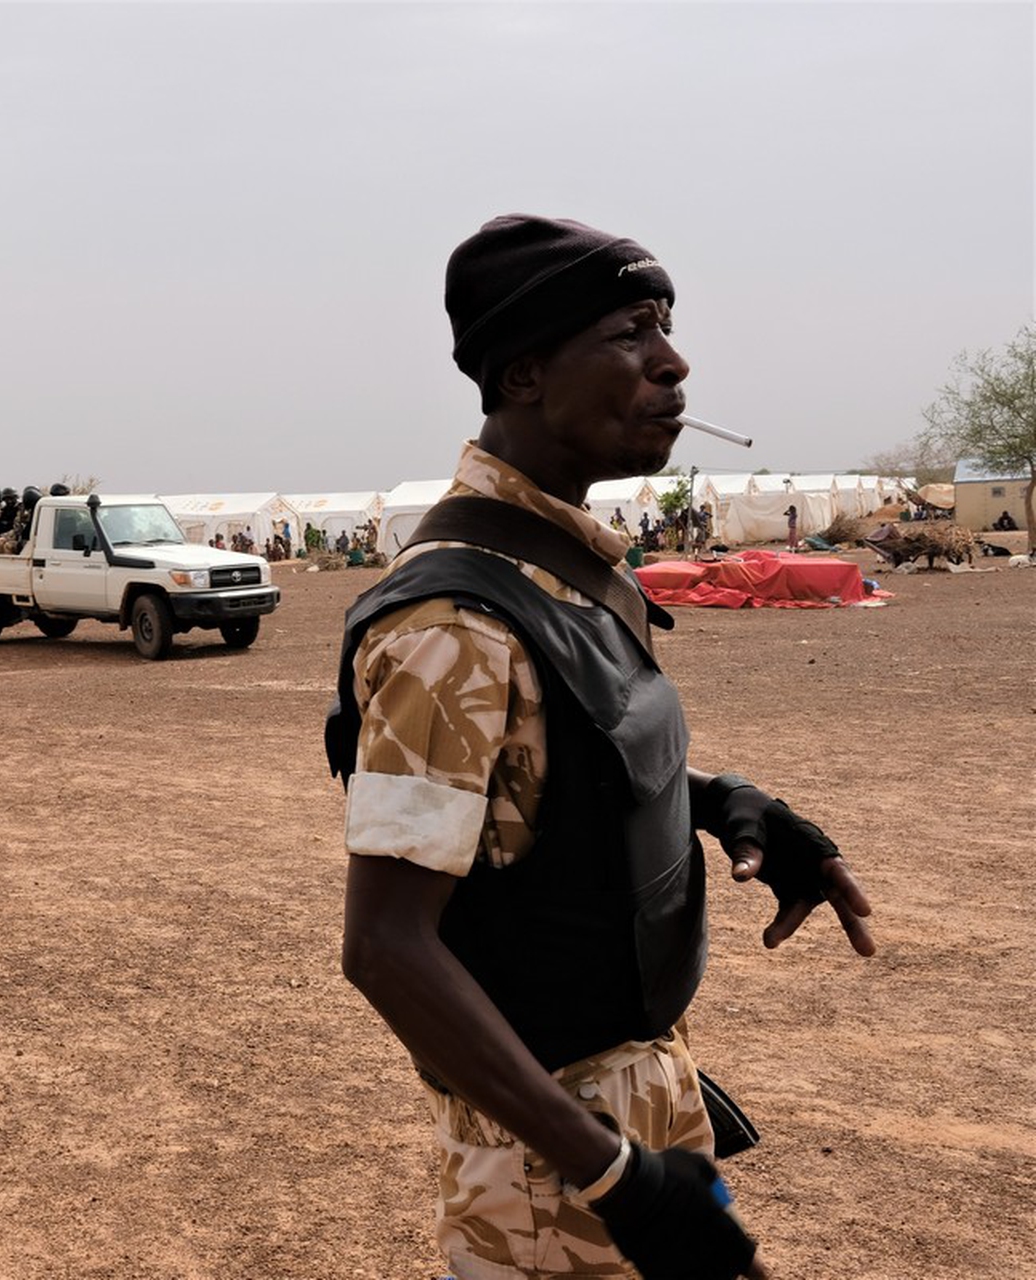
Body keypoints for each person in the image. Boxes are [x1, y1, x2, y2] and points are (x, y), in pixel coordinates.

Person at [328, 214, 875, 1280]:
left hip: (643, 1093)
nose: (674, 363)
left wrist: (721, 802)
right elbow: (386, 944)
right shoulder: (452, 624)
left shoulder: (563, 565)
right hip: (553, 1155)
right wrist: (612, 1175)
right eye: (631, 333)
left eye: (665, 326)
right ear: (524, 373)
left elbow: (558, 764)